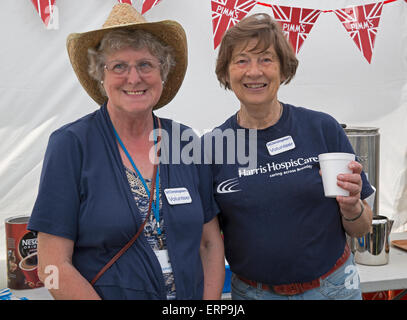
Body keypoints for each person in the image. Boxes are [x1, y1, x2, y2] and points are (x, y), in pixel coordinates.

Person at [28, 3, 224, 300]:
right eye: (119, 66)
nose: (134, 78)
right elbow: (52, 264)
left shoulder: (184, 141)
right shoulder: (71, 144)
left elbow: (209, 244)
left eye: (145, 64)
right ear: (100, 76)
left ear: (163, 73)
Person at [204, 13, 374, 300]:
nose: (254, 71)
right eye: (242, 60)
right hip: (253, 294)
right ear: (226, 73)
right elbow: (207, 242)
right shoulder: (212, 148)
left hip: (332, 289)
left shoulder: (322, 129)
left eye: (266, 59)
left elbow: (362, 227)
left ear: (284, 70)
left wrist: (352, 207)